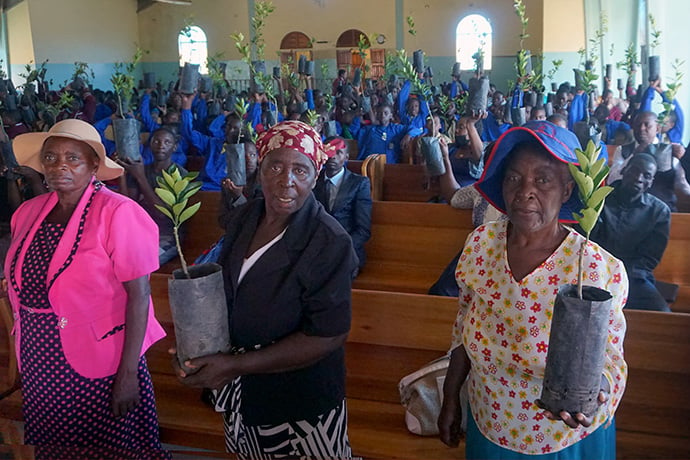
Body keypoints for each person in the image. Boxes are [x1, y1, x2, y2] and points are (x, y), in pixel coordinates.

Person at [438, 120, 628, 459]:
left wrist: (597, 389)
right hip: (490, 421)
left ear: (567, 190)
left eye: (542, 179)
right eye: (513, 178)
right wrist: (451, 395)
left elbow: (611, 358)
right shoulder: (481, 245)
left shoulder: (596, 267)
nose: (525, 191)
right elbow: (464, 327)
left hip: (560, 437)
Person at [173, 120, 358, 460]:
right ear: (260, 169)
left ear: (314, 177)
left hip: (299, 401)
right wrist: (196, 349)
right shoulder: (245, 217)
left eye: (300, 170)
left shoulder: (329, 242)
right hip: (245, 393)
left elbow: (327, 336)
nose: (287, 180)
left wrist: (235, 365)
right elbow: (227, 293)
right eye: (276, 166)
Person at [3, 119, 168, 457]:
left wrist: (128, 373)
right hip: (40, 358)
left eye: (73, 158)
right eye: (50, 158)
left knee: (105, 449)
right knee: (55, 447)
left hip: (100, 363)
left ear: (94, 164)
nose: (60, 165)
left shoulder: (118, 212)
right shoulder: (29, 212)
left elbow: (139, 296)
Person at [589, 153, 671, 311]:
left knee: (664, 317)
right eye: (635, 171)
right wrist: (603, 271)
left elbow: (649, 258)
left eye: (647, 176)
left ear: (651, 182)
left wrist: (620, 276)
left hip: (633, 278)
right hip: (595, 273)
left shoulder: (659, 212)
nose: (639, 178)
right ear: (624, 170)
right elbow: (587, 241)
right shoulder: (599, 198)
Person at [118, 126, 188, 264]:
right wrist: (121, 174)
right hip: (141, 231)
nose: (161, 146)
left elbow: (163, 214)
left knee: (143, 261)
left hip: (167, 236)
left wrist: (140, 177)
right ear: (150, 144)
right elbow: (128, 206)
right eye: (156, 141)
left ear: (174, 147)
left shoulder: (180, 175)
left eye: (167, 142)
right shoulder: (141, 169)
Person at [608, 111, 689, 211]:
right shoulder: (623, 150)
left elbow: (681, 183)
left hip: (662, 209)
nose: (641, 129)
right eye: (638, 125)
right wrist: (633, 155)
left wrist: (681, 159)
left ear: (657, 128)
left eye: (647, 125)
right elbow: (612, 180)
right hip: (629, 209)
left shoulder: (669, 151)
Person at [313, 136, 372, 273]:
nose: (332, 156)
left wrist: (339, 248)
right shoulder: (313, 181)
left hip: (346, 251)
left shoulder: (359, 183)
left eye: (338, 152)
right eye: (329, 151)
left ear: (346, 157)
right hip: (316, 250)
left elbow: (363, 230)